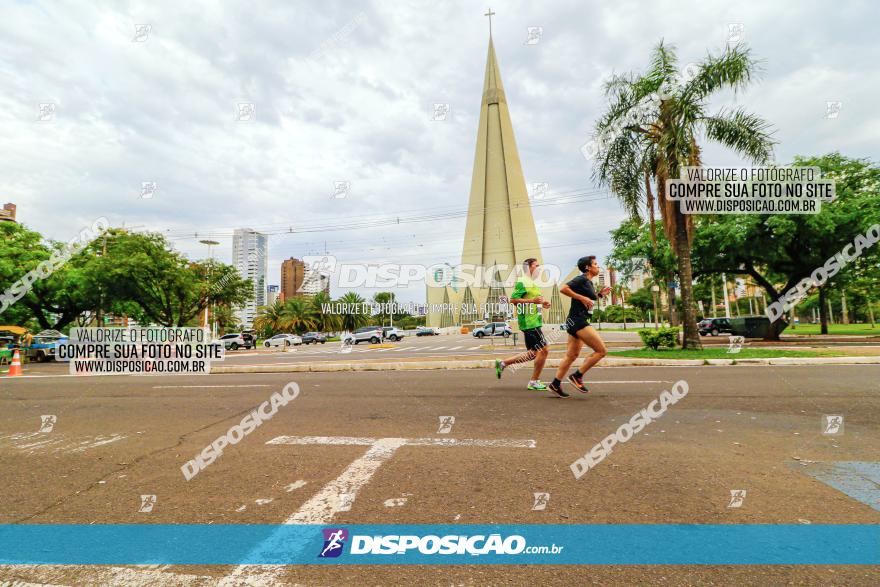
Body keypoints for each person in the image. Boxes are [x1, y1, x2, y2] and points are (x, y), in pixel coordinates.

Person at [547, 256, 611, 398]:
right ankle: (577, 376)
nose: (597, 266)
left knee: (571, 355)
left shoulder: (588, 282)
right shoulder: (581, 279)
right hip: (578, 321)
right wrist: (582, 298)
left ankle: (555, 384)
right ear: (588, 267)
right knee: (601, 351)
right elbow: (563, 289)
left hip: (575, 321)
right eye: (595, 264)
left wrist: (599, 295)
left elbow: (589, 298)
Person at [494, 258, 552, 390]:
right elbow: (513, 300)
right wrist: (533, 300)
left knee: (533, 354)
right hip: (529, 323)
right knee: (544, 350)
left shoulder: (532, 283)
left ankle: (503, 363)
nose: (539, 268)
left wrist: (543, 303)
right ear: (529, 267)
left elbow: (534, 300)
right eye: (537, 266)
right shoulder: (522, 282)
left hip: (535, 322)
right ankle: (534, 382)